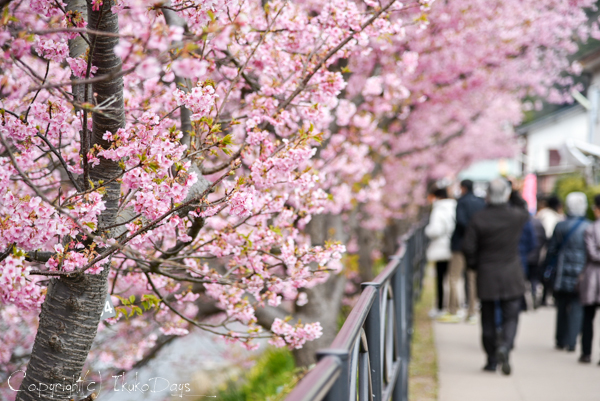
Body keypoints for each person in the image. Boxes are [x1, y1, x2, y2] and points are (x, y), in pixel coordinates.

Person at [463, 178, 529, 375]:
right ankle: (505, 346)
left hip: (487, 273)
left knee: (488, 318)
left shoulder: (479, 218)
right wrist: (515, 192)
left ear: (488, 196)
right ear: (507, 195)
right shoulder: (516, 216)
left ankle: (491, 359)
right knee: (511, 317)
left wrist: (474, 264)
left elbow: (468, 247)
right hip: (512, 273)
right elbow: (524, 208)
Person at [545, 192, 590, 352]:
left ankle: (560, 339)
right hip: (581, 273)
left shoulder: (561, 226)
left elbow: (551, 250)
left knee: (562, 305)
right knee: (577, 306)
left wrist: (546, 269)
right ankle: (572, 342)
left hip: (562, 271)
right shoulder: (588, 227)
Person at [441, 179, 485, 323]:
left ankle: (453, 310)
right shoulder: (481, 202)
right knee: (472, 279)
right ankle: (472, 312)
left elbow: (460, 221)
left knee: (454, 277)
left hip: (460, 245)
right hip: (476, 245)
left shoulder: (462, 202)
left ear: (463, 188)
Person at [425, 187, 457, 318]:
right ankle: (453, 306)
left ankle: (440, 307)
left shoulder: (438, 210)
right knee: (453, 279)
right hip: (454, 246)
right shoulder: (454, 207)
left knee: (440, 279)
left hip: (441, 247)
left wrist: (427, 231)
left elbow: (435, 230)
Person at [578, 194, 600, 364]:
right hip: (593, 276)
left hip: (592, 276)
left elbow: (592, 254)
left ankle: (586, 353)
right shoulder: (590, 228)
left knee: (588, 317)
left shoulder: (591, 229)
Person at [537, 196, 564, 306]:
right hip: (551, 246)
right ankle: (549, 296)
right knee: (550, 273)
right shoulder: (554, 216)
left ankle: (544, 297)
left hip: (543, 246)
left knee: (546, 273)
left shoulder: (543, 214)